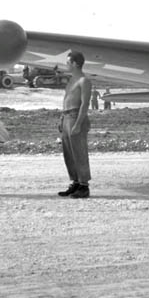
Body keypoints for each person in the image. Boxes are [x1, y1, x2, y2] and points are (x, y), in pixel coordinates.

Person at [57, 51, 93, 199]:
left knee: (79, 152)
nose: (66, 65)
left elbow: (85, 104)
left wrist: (78, 123)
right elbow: (67, 100)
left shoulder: (84, 81)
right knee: (69, 154)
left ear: (75, 64)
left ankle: (84, 186)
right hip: (67, 117)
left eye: (68, 62)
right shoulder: (72, 80)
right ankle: (76, 182)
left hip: (75, 116)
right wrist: (61, 119)